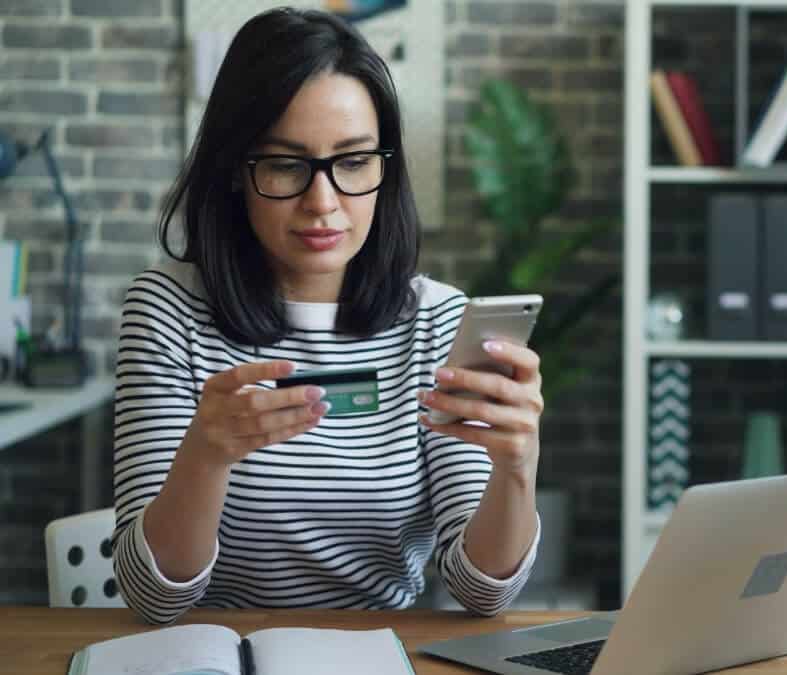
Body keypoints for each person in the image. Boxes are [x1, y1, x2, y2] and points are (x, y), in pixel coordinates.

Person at [112, 7, 543, 625]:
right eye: (286, 165)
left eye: (353, 162)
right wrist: (205, 457)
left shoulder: (438, 322)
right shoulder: (167, 309)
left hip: (385, 654)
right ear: (237, 170)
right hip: (214, 653)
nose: (323, 202)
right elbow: (152, 597)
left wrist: (516, 466)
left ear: (384, 169)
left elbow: (484, 595)